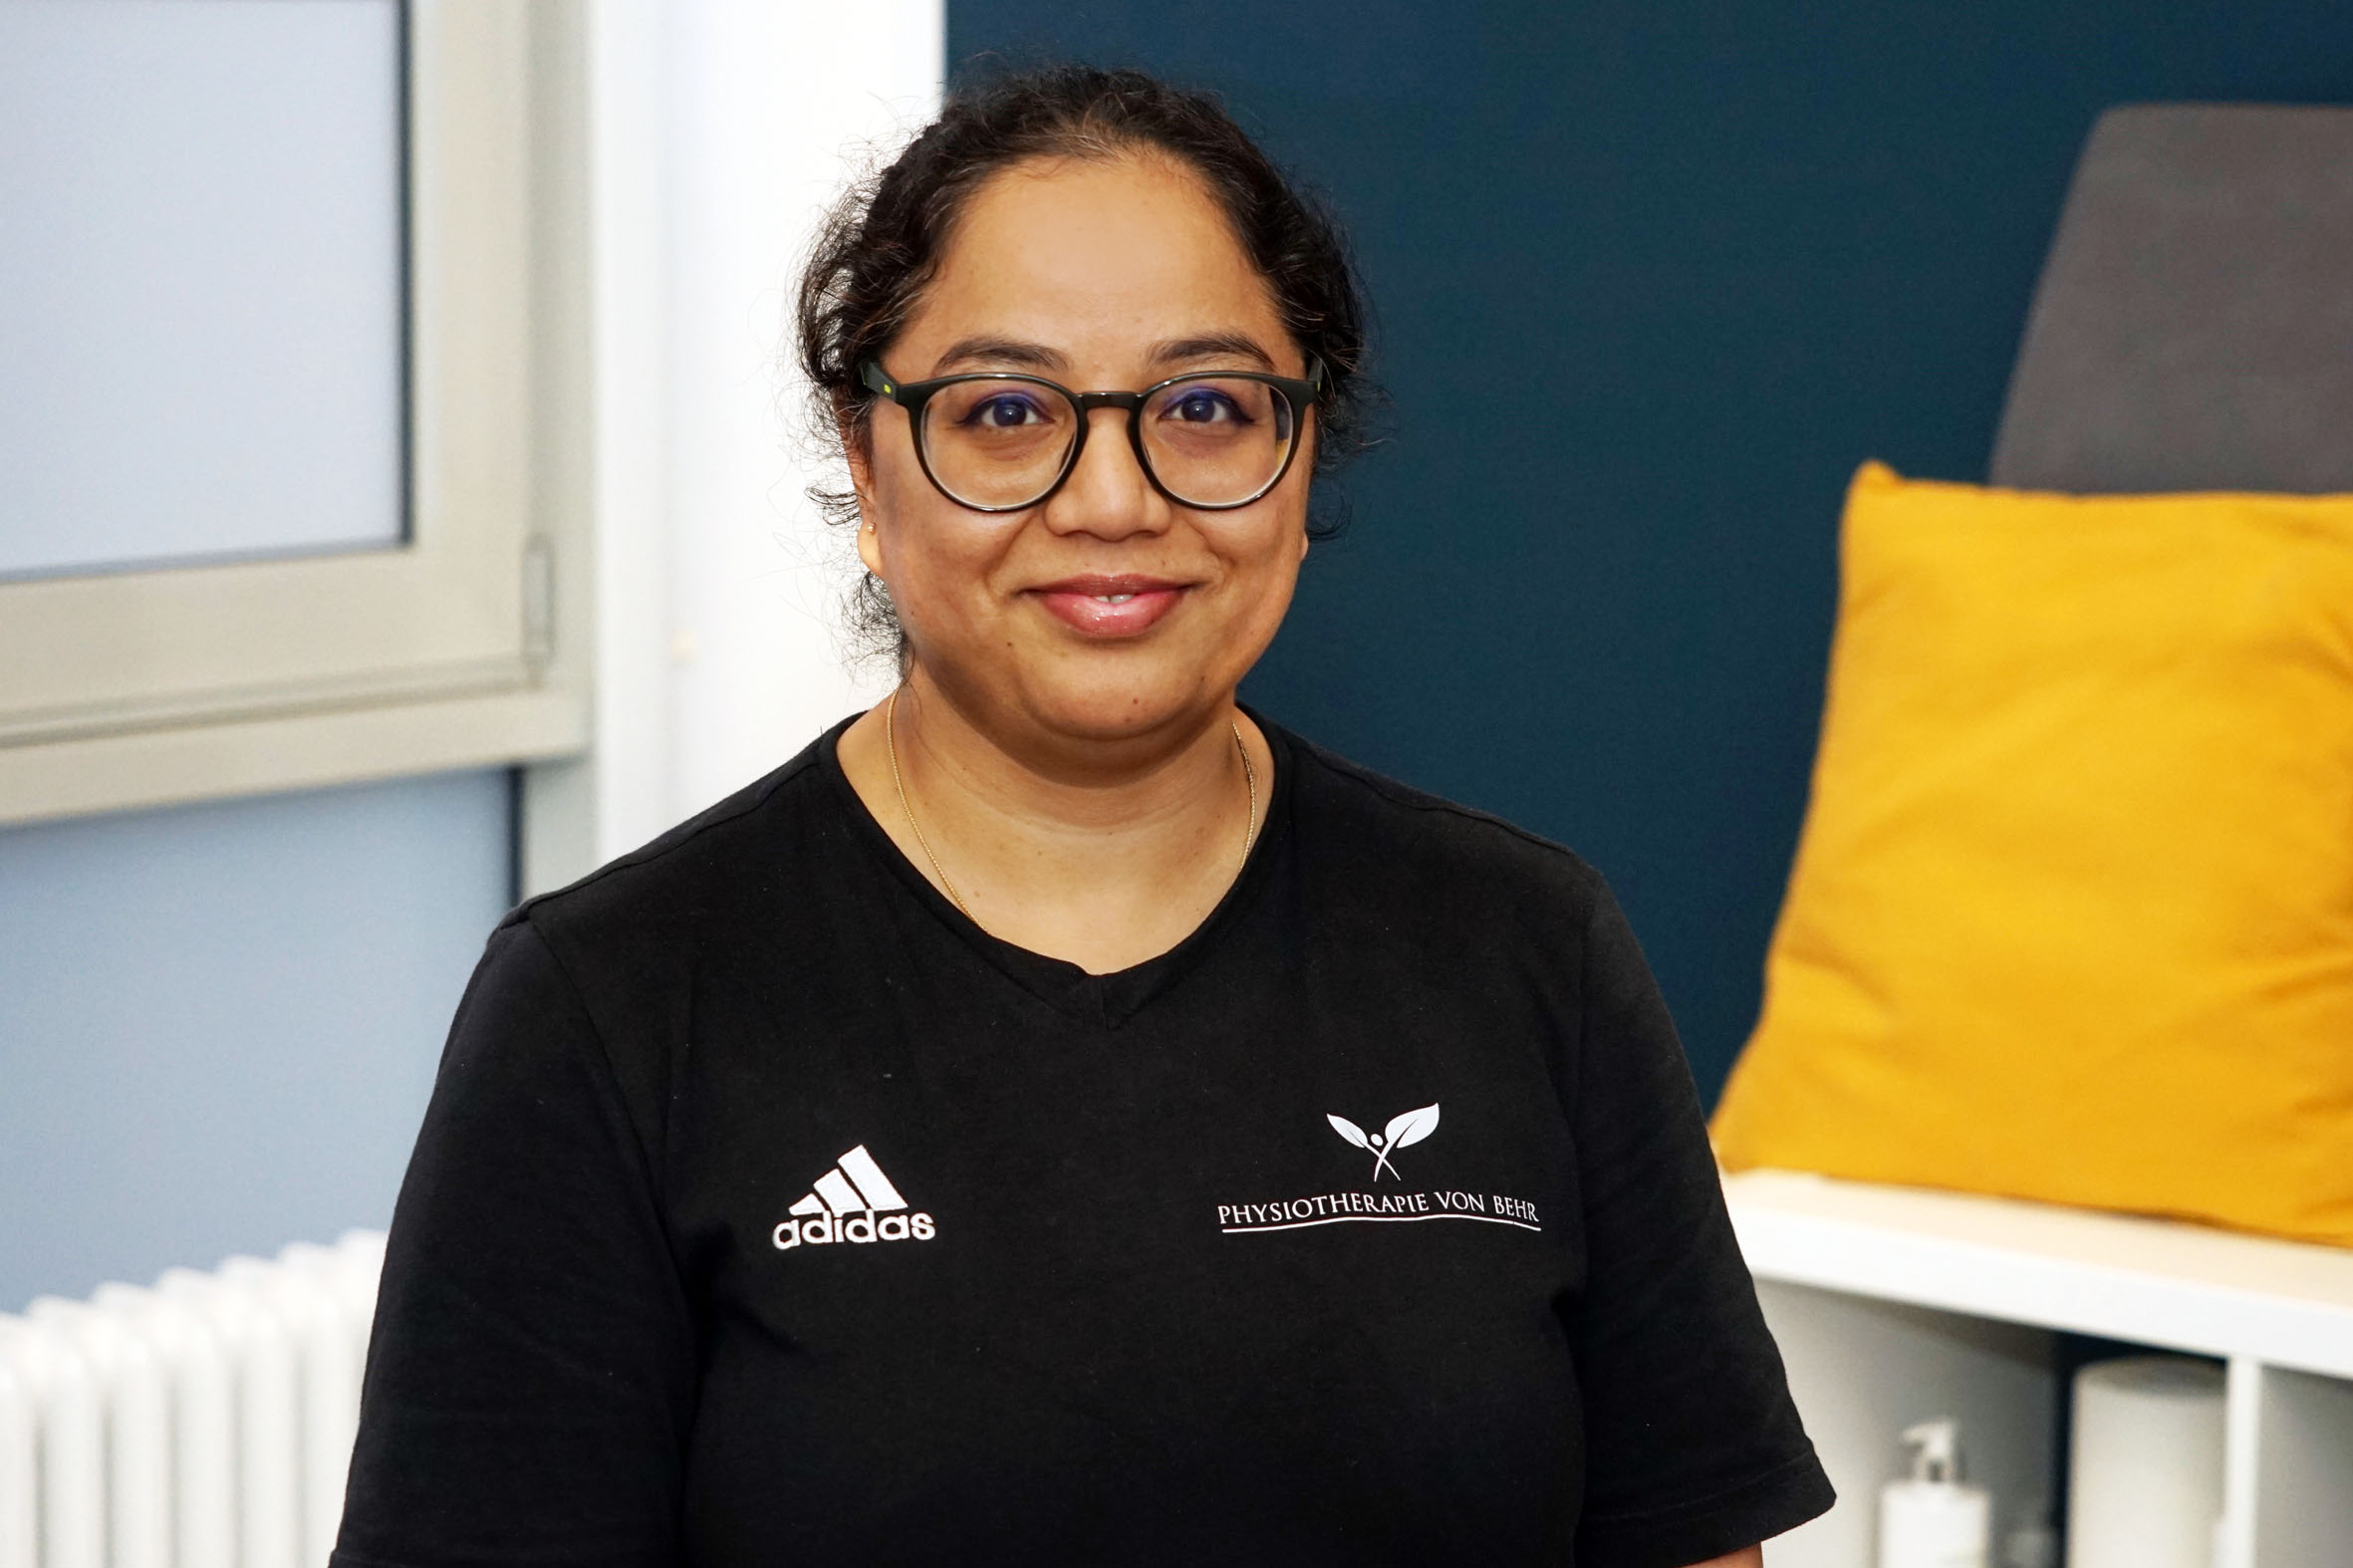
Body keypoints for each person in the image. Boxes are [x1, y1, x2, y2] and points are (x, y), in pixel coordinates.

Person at [334, 65, 1832, 1568]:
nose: (1113, 499)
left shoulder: (1526, 949)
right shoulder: (615, 1006)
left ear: (1301, 451)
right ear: (866, 462)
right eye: (1004, 410)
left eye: (1204, 406)